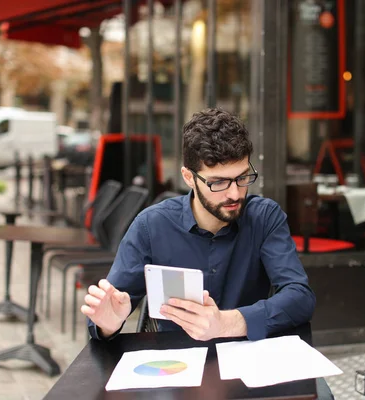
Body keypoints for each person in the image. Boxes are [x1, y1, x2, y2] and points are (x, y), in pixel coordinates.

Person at [81, 108, 333, 397]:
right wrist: (109, 325)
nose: (235, 194)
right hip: (177, 372)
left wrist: (228, 322)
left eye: (242, 178)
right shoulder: (151, 226)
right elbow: (107, 314)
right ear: (189, 177)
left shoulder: (265, 218)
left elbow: (300, 297)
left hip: (252, 366)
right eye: (218, 182)